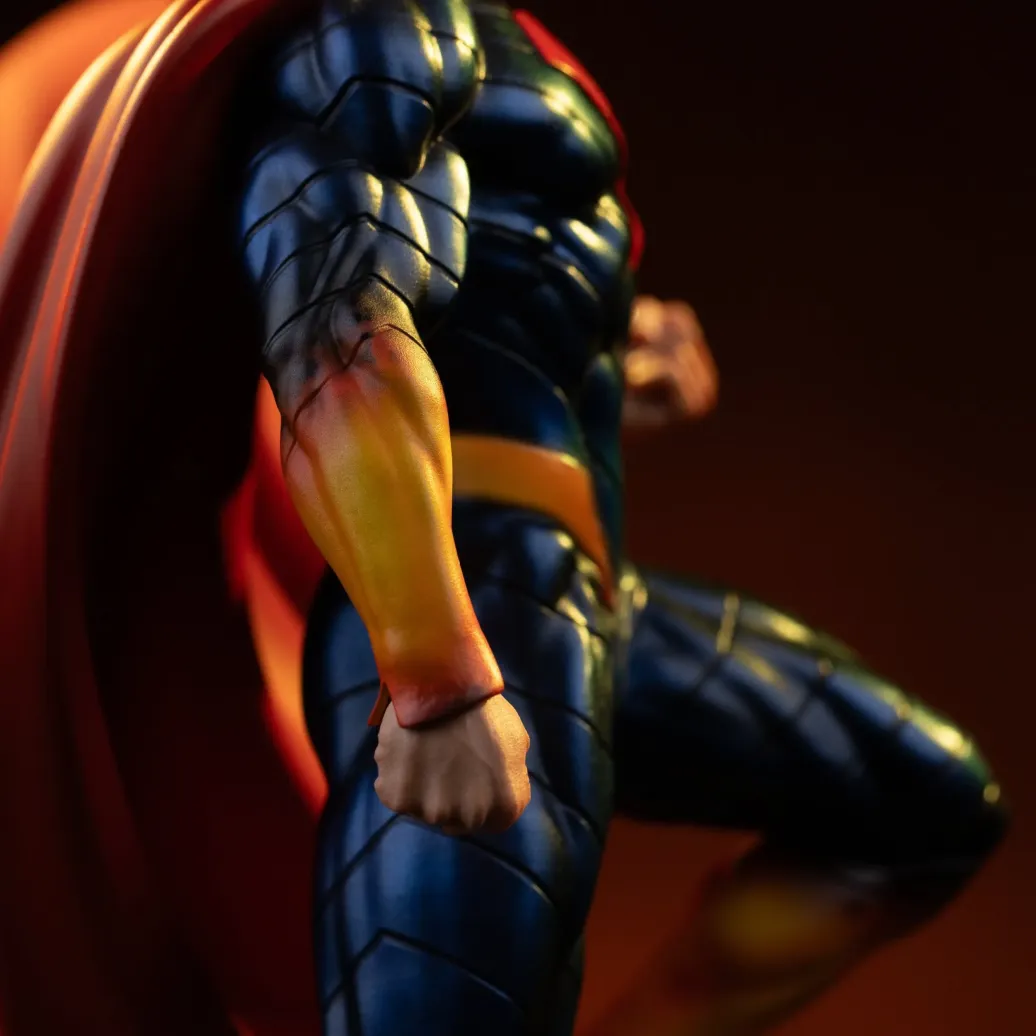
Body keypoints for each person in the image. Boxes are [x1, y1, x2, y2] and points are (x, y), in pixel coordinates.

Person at [0, 2, 1006, 1034]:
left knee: (918, 806)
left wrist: (608, 345)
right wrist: (434, 678)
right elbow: (338, 336)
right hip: (479, 601)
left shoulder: (502, 48)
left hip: (582, 598)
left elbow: (482, 288)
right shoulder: (375, 38)